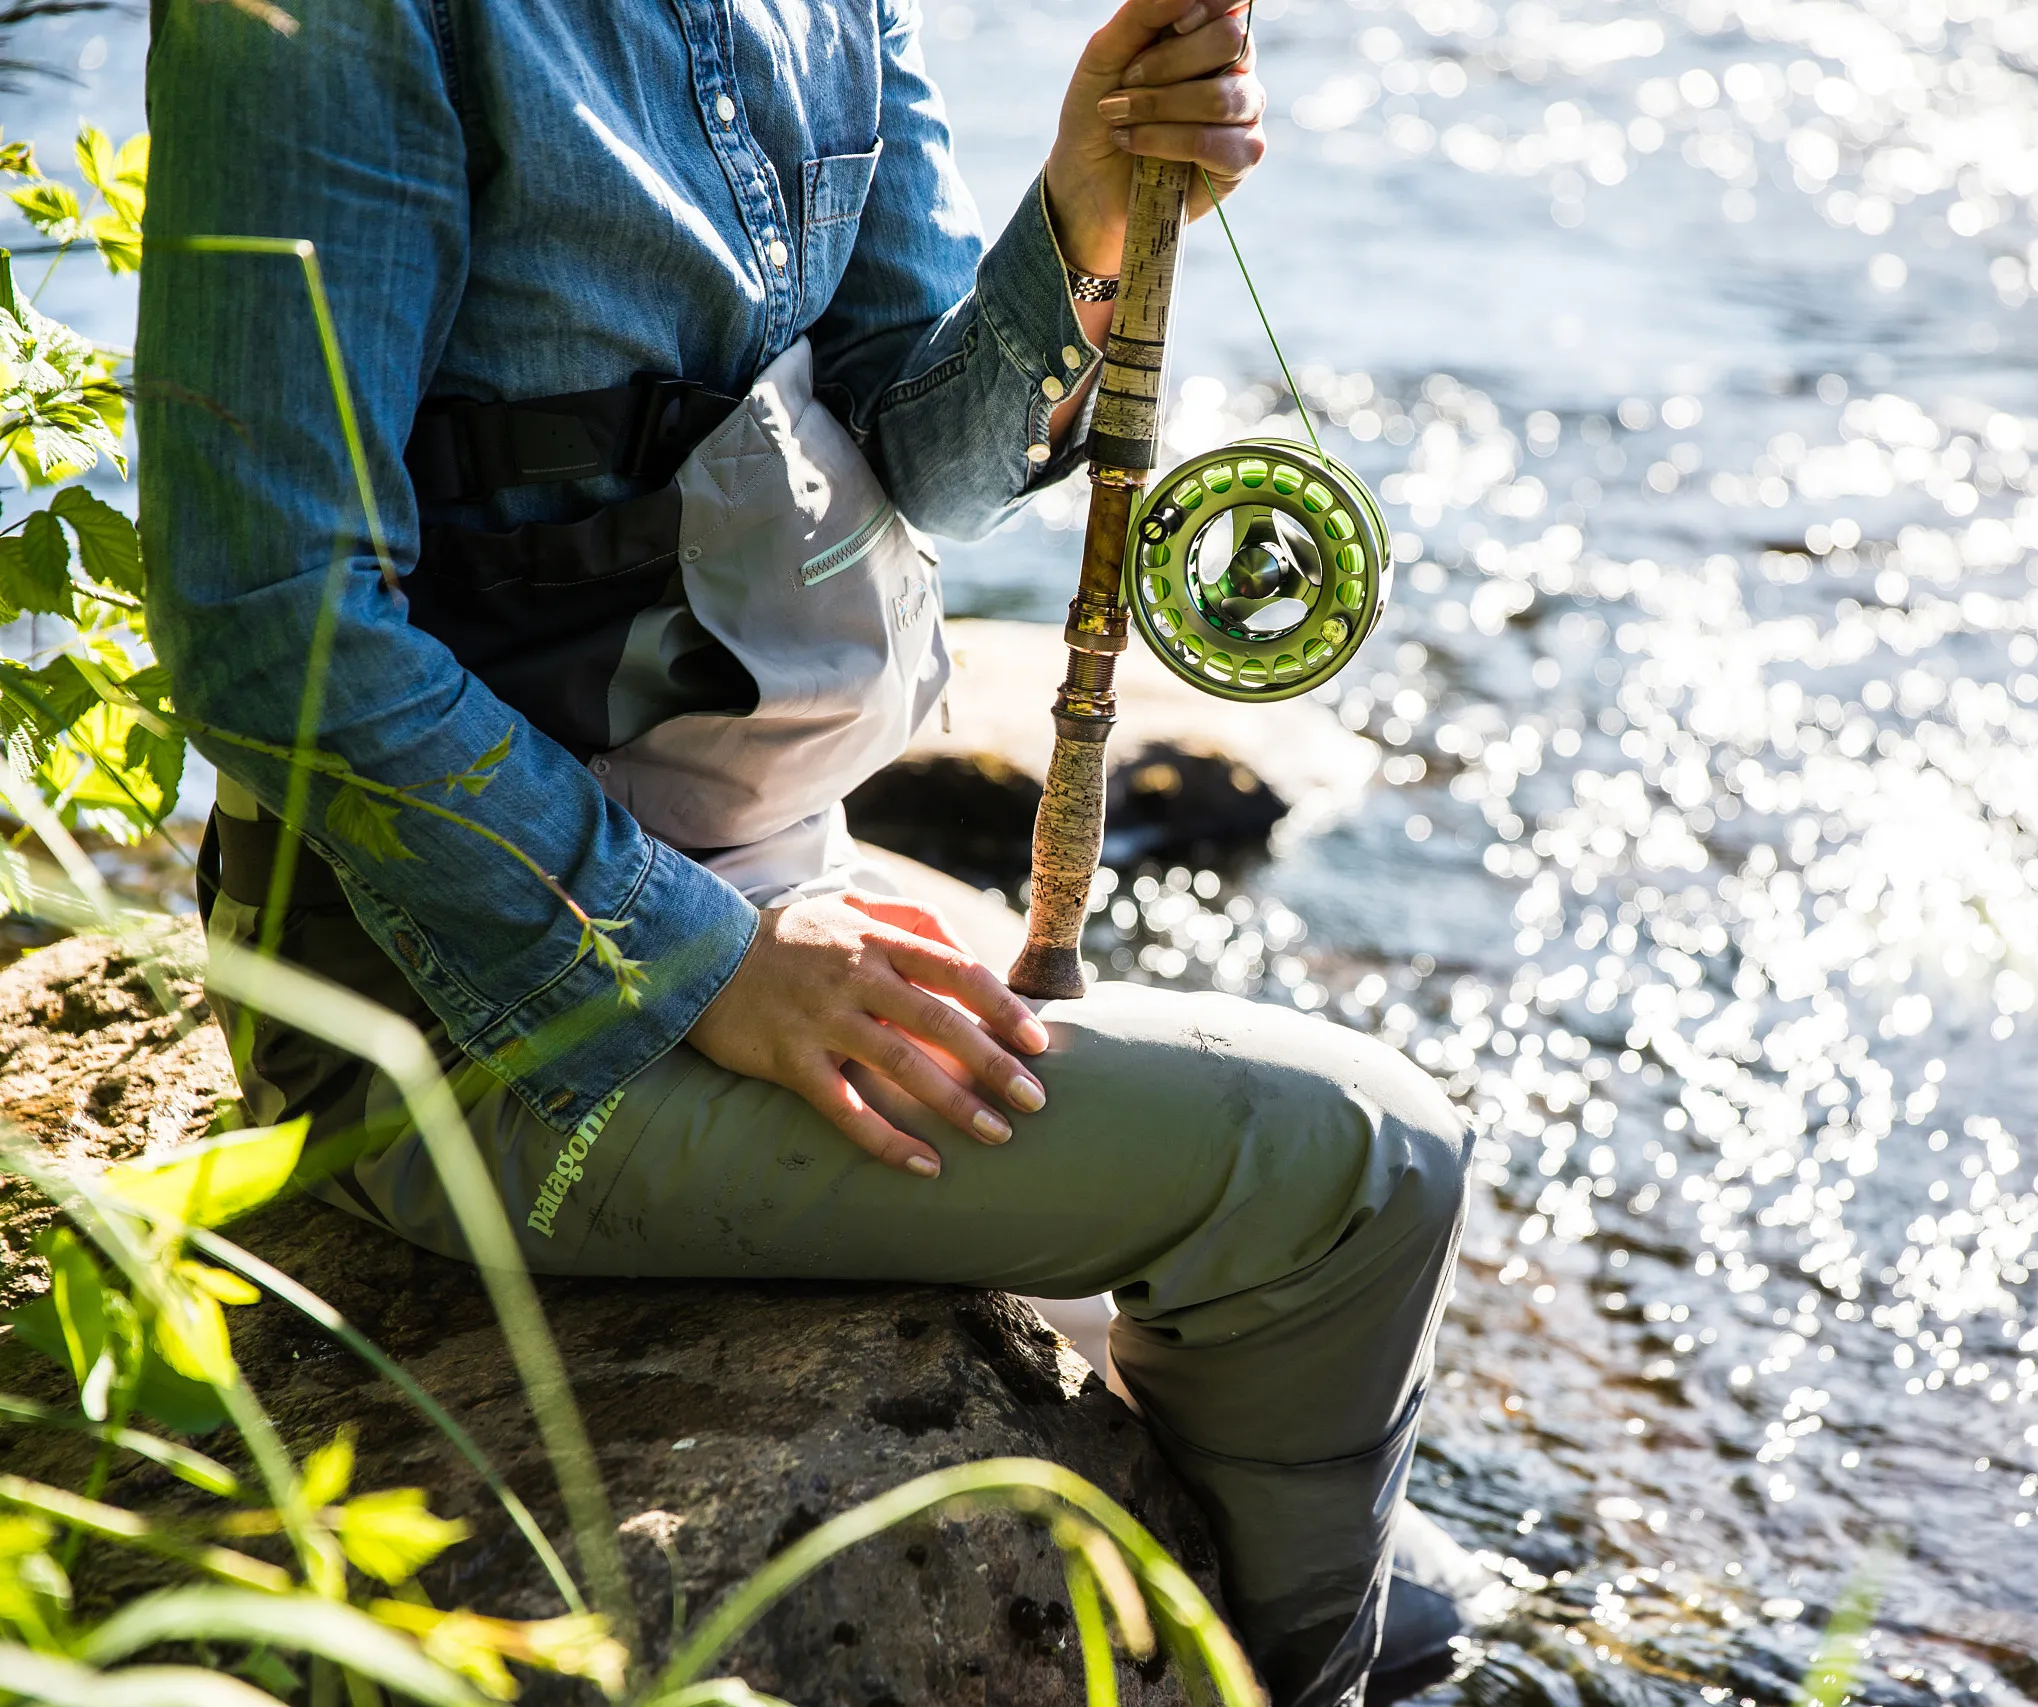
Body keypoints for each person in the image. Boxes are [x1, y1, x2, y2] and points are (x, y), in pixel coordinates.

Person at [134, 1, 1476, 1702]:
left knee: (1410, 1553)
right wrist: (710, 968)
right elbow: (271, 622)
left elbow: (926, 453)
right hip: (461, 1018)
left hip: (773, 862)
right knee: (1367, 1168)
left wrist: (1086, 215)